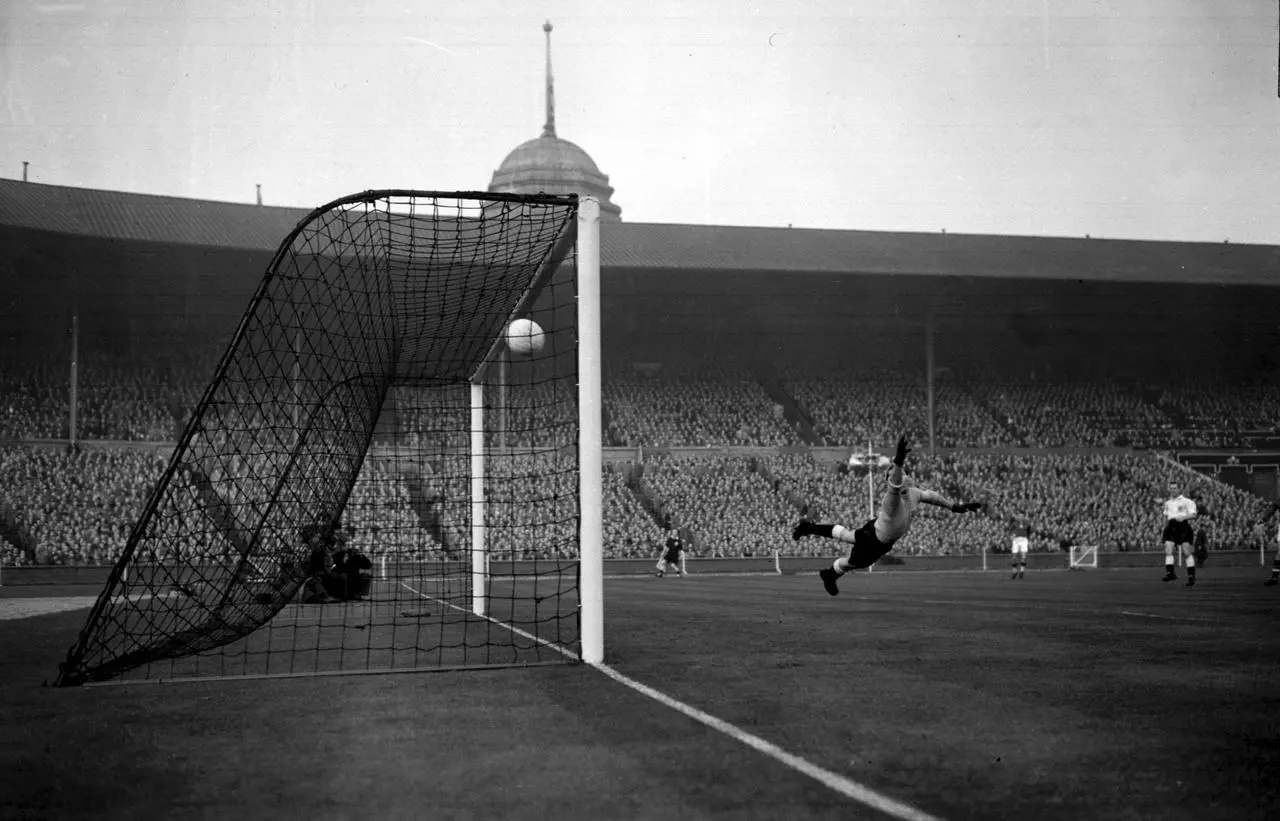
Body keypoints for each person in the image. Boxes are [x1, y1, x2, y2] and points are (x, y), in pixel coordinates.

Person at [792, 435, 985, 596]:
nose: (900, 476)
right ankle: (829, 573)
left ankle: (809, 529)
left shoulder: (914, 493)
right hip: (875, 540)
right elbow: (895, 483)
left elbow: (932, 496)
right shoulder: (892, 499)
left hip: (878, 531)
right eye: (895, 475)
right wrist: (898, 462)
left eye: (901, 473)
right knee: (855, 561)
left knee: (850, 537)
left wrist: (954, 506)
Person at [1159, 480, 1198, 587]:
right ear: (1169, 489)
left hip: (1183, 526)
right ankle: (1170, 573)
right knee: (1168, 548)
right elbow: (1165, 516)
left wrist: (1183, 517)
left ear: (1179, 489)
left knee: (1186, 551)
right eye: (1171, 488)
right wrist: (1164, 527)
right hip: (1171, 526)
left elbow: (1194, 515)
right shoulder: (1167, 503)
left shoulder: (1186, 501)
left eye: (1175, 488)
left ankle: (1191, 576)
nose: (1173, 490)